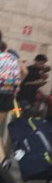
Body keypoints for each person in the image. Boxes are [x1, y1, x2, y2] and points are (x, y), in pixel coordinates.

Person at [0, 40, 27, 168]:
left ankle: (3, 159)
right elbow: (25, 72)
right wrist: (16, 89)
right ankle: (2, 159)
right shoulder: (12, 58)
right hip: (8, 97)